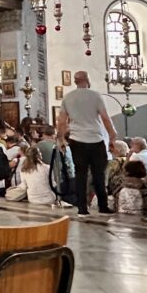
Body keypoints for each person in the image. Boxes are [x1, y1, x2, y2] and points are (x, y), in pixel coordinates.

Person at [56, 71, 117, 215]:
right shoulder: (95, 95)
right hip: (95, 139)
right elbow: (105, 118)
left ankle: (82, 208)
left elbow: (61, 121)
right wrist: (112, 136)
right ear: (87, 80)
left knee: (81, 175)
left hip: (77, 140)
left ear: (75, 81)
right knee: (98, 175)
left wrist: (61, 139)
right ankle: (103, 206)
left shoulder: (68, 97)